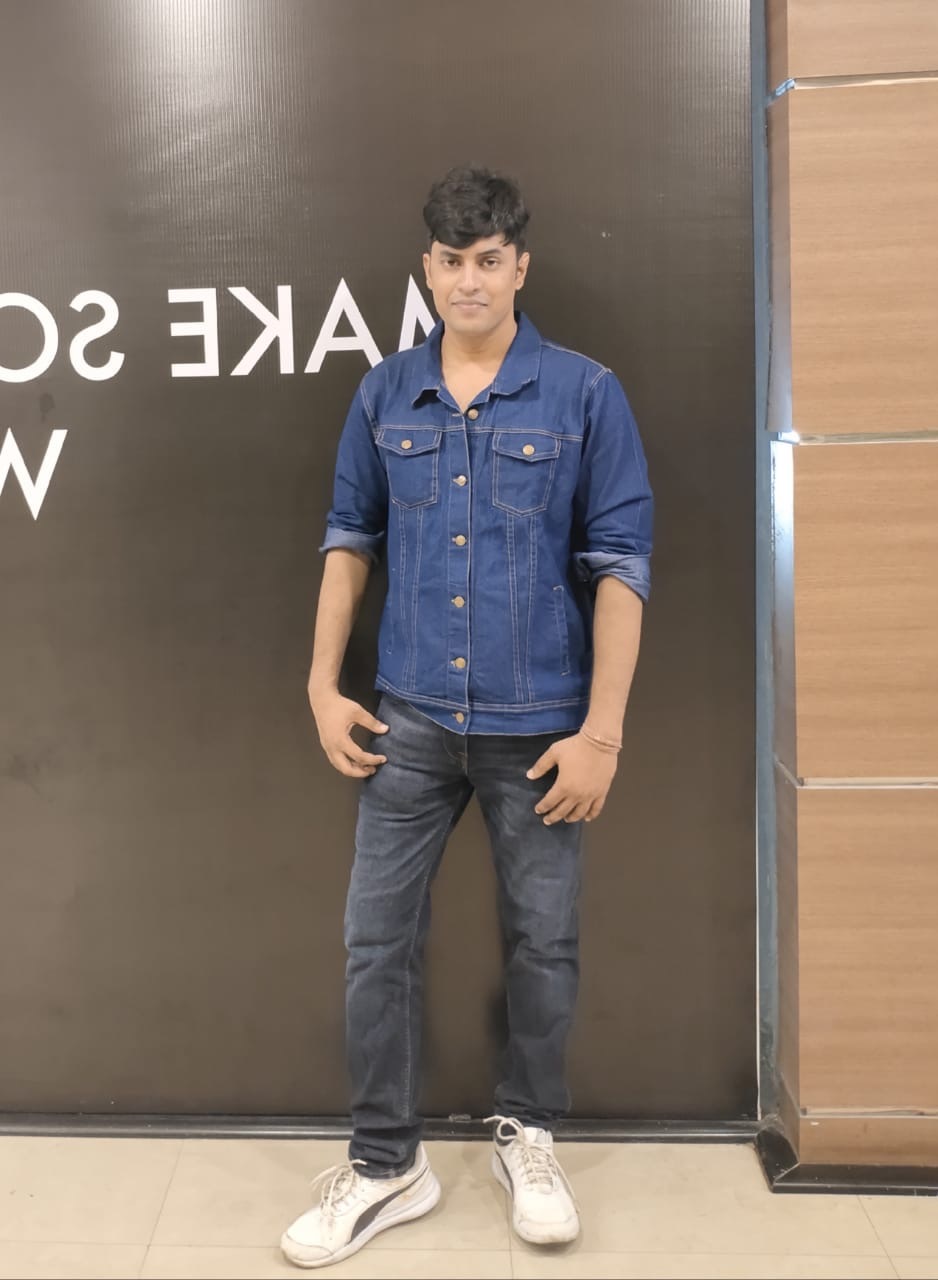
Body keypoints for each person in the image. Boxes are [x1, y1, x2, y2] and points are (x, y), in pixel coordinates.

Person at [281, 166, 653, 1269]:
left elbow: (622, 565)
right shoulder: (384, 393)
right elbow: (348, 537)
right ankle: (385, 1163)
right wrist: (321, 683)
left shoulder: (584, 394)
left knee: (544, 939)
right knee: (374, 940)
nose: (469, 279)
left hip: (540, 730)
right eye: (451, 260)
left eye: (489, 259)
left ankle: (527, 1132)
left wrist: (602, 733)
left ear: (519, 265)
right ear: (428, 268)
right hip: (408, 721)